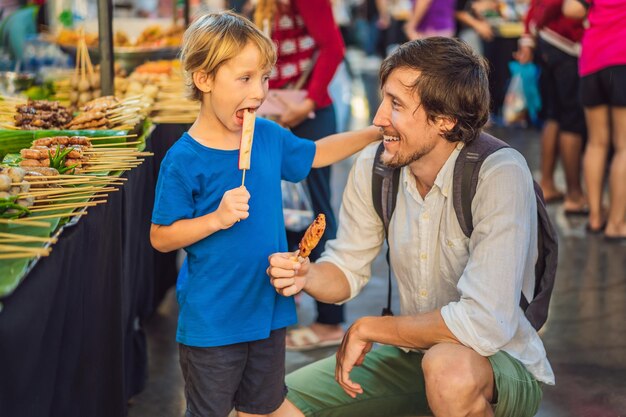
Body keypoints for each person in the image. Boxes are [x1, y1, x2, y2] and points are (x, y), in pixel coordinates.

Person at [267, 37, 554, 417]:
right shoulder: (375, 166)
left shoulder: (499, 173)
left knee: (448, 373)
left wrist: (371, 328)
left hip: (498, 363)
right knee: (268, 405)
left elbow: (483, 323)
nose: (378, 118)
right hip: (412, 358)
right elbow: (346, 270)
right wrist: (305, 274)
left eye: (396, 104)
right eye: (383, 98)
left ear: (445, 119)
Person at [149, 11, 379, 417]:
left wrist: (374, 134)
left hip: (269, 313)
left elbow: (317, 154)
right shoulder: (183, 160)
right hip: (214, 322)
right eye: (245, 78)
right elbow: (161, 236)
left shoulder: (268, 136)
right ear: (203, 79)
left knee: (263, 407)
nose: (260, 92)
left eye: (264, 78)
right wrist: (215, 218)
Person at [254, 0, 347, 350]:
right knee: (287, 212)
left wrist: (306, 103)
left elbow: (333, 47)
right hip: (281, 112)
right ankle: (295, 297)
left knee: (317, 217)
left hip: (305, 116)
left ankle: (329, 321)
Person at [514, 0, 587, 212]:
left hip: (547, 42)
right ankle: (574, 195)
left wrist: (530, 36)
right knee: (571, 122)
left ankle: (547, 183)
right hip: (567, 45)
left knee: (554, 117)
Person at [563, 0, 626, 239]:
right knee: (623, 146)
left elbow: (571, 9)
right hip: (622, 57)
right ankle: (617, 224)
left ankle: (596, 217)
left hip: (593, 58)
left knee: (596, 142)